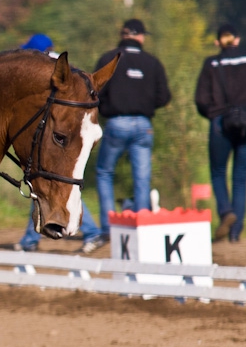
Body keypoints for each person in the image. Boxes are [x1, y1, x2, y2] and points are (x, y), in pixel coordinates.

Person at [14, 34, 105, 253]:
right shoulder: (60, 67)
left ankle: (91, 231)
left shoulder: (49, 72)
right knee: (46, 188)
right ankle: (30, 239)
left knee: (60, 187)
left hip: (61, 140)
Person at [194, 23, 246, 242]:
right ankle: (235, 233)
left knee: (218, 172)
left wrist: (214, 114)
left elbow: (201, 100)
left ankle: (226, 212)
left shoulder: (212, 63)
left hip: (222, 123)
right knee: (240, 177)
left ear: (217, 42)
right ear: (238, 39)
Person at [92, 19, 171, 243]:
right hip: (144, 125)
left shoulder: (108, 60)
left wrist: (107, 109)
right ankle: (142, 226)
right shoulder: (152, 63)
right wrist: (145, 106)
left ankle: (108, 228)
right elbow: (164, 96)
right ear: (141, 37)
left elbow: (94, 92)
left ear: (123, 34)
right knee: (142, 177)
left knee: (105, 173)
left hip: (116, 124)